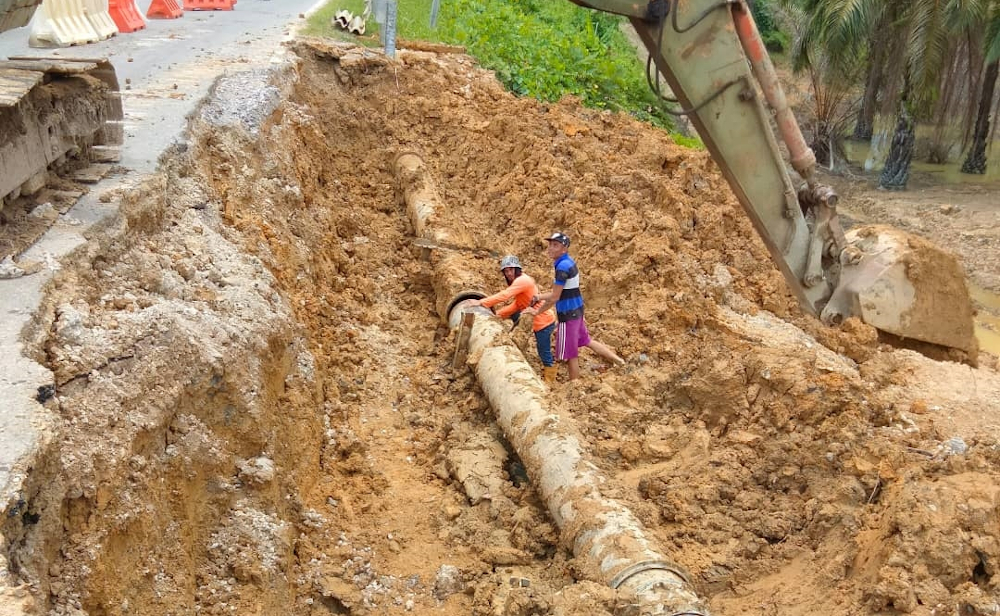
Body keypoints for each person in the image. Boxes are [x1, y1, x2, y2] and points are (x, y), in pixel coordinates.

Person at [525, 232, 624, 380]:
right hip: (577, 311)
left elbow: (555, 297)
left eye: (555, 245)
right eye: (550, 245)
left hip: (568, 315)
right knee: (587, 341)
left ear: (564, 249)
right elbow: (562, 291)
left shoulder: (562, 268)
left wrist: (537, 312)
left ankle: (575, 388)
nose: (550, 248)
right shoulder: (567, 262)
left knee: (571, 355)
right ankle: (619, 361)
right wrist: (539, 296)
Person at [470, 255, 559, 384]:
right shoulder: (521, 281)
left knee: (543, 350)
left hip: (543, 321)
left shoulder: (522, 281)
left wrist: (481, 303)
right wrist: (498, 314)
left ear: (517, 269)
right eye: (506, 271)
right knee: (539, 345)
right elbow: (517, 305)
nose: (509, 273)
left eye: (511, 270)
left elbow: (505, 295)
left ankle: (550, 379)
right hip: (538, 320)